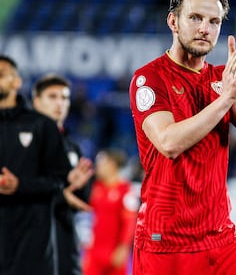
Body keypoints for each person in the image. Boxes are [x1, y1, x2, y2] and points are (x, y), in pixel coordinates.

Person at [129, 0, 236, 275]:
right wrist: (224, 100)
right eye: (195, 18)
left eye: (214, 21)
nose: (205, 28)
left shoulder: (222, 79)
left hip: (219, 236)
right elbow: (168, 143)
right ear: (173, 21)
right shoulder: (150, 79)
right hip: (165, 239)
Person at [0, 55, 77, 274]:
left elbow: (60, 178)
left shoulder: (41, 126)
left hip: (32, 248)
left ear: (16, 82)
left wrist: (20, 185)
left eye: (2, 74)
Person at [32, 73, 94, 275]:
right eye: (52, 97)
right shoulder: (21, 142)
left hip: (65, 242)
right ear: (36, 101)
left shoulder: (73, 147)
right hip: (29, 243)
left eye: (64, 97)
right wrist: (60, 195)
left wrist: (81, 187)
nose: (60, 103)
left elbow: (82, 199)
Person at [82, 148, 139, 275]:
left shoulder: (126, 190)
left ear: (112, 165)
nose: (98, 167)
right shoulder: (96, 188)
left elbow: (130, 221)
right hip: (94, 252)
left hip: (114, 253)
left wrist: (123, 248)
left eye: (102, 163)